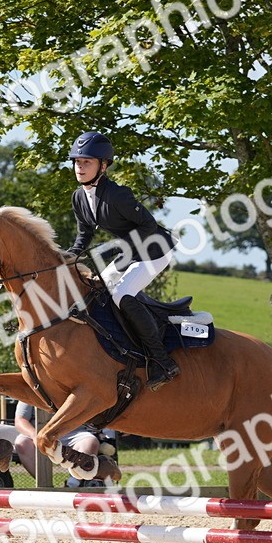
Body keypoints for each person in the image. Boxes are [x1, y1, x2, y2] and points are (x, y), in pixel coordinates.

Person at [65, 130, 180, 391]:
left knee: (122, 294)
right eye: (77, 162)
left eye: (87, 162)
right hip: (127, 253)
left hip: (155, 250)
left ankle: (163, 362)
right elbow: (84, 234)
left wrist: (115, 247)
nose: (80, 168)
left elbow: (149, 225)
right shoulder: (79, 197)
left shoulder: (118, 195)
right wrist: (68, 256)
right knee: (97, 293)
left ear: (103, 166)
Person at [12, 402, 117, 487]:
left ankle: (73, 483)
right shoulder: (33, 387)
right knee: (22, 442)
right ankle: (45, 486)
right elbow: (20, 420)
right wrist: (35, 435)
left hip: (73, 433)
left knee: (90, 441)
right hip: (39, 432)